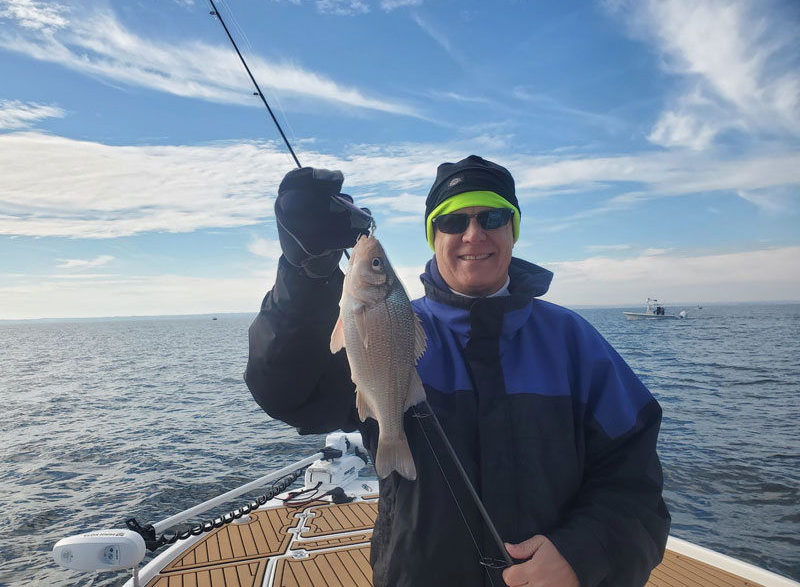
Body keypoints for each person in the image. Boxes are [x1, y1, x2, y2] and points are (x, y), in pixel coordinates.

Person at [245, 156, 670, 587]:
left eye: (493, 217)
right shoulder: (390, 328)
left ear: (513, 230)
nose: (473, 234)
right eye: (452, 221)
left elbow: (635, 484)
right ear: (434, 237)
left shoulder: (575, 342)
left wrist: (583, 556)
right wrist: (305, 275)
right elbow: (288, 393)